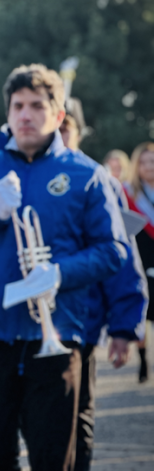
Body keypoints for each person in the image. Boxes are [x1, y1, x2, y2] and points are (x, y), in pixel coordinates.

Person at [0, 64, 128, 471]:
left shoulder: (87, 175)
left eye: (37, 106)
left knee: (53, 460)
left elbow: (114, 250)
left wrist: (59, 273)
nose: (25, 114)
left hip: (57, 336)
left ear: (58, 116)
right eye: (18, 105)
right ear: (7, 113)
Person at [59, 116, 149, 471]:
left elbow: (121, 255)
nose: (59, 136)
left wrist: (124, 327)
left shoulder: (98, 180)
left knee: (78, 413)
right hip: (29, 321)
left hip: (83, 318)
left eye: (66, 130)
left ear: (78, 134)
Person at [124, 142, 154, 383]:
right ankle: (143, 359)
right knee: (143, 314)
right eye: (143, 162)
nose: (148, 167)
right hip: (141, 259)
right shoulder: (128, 193)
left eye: (152, 161)